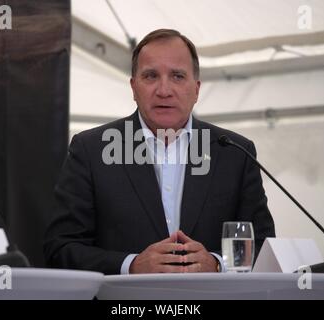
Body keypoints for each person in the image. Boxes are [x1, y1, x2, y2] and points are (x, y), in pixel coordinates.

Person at [44, 29, 275, 275]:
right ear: (134, 88)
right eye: (151, 76)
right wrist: (131, 265)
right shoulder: (90, 150)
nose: (164, 90)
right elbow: (60, 248)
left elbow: (264, 245)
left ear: (196, 89)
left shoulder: (234, 152)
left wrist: (218, 264)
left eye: (177, 76)